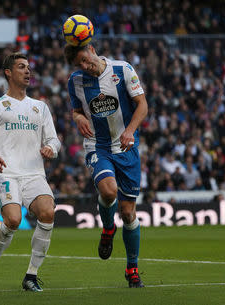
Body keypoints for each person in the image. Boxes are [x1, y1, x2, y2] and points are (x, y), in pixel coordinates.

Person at [0, 53, 61, 293]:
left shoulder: (39, 107)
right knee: (12, 220)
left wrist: (51, 148)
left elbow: (54, 139)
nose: (27, 71)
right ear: (8, 72)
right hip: (6, 173)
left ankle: (31, 276)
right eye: (21, 67)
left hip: (34, 174)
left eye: (29, 67)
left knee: (48, 213)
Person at [64, 43, 148, 288]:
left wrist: (130, 131)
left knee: (129, 212)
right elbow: (76, 110)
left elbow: (142, 105)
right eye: (78, 64)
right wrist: (78, 117)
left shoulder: (123, 70)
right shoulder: (76, 81)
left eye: (84, 59)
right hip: (97, 146)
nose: (83, 66)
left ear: (91, 49)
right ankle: (108, 228)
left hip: (126, 146)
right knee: (109, 191)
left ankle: (132, 268)